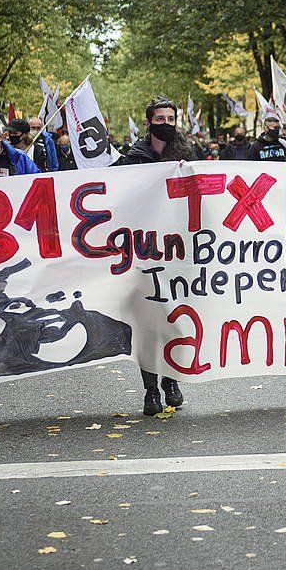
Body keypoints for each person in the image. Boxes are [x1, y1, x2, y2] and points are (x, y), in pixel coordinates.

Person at [114, 97, 196, 414]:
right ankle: (151, 390)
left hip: (178, 251)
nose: (166, 123)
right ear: (148, 122)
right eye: (159, 118)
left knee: (174, 319)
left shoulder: (188, 155)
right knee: (147, 324)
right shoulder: (133, 158)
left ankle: (171, 380)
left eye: (171, 118)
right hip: (143, 251)